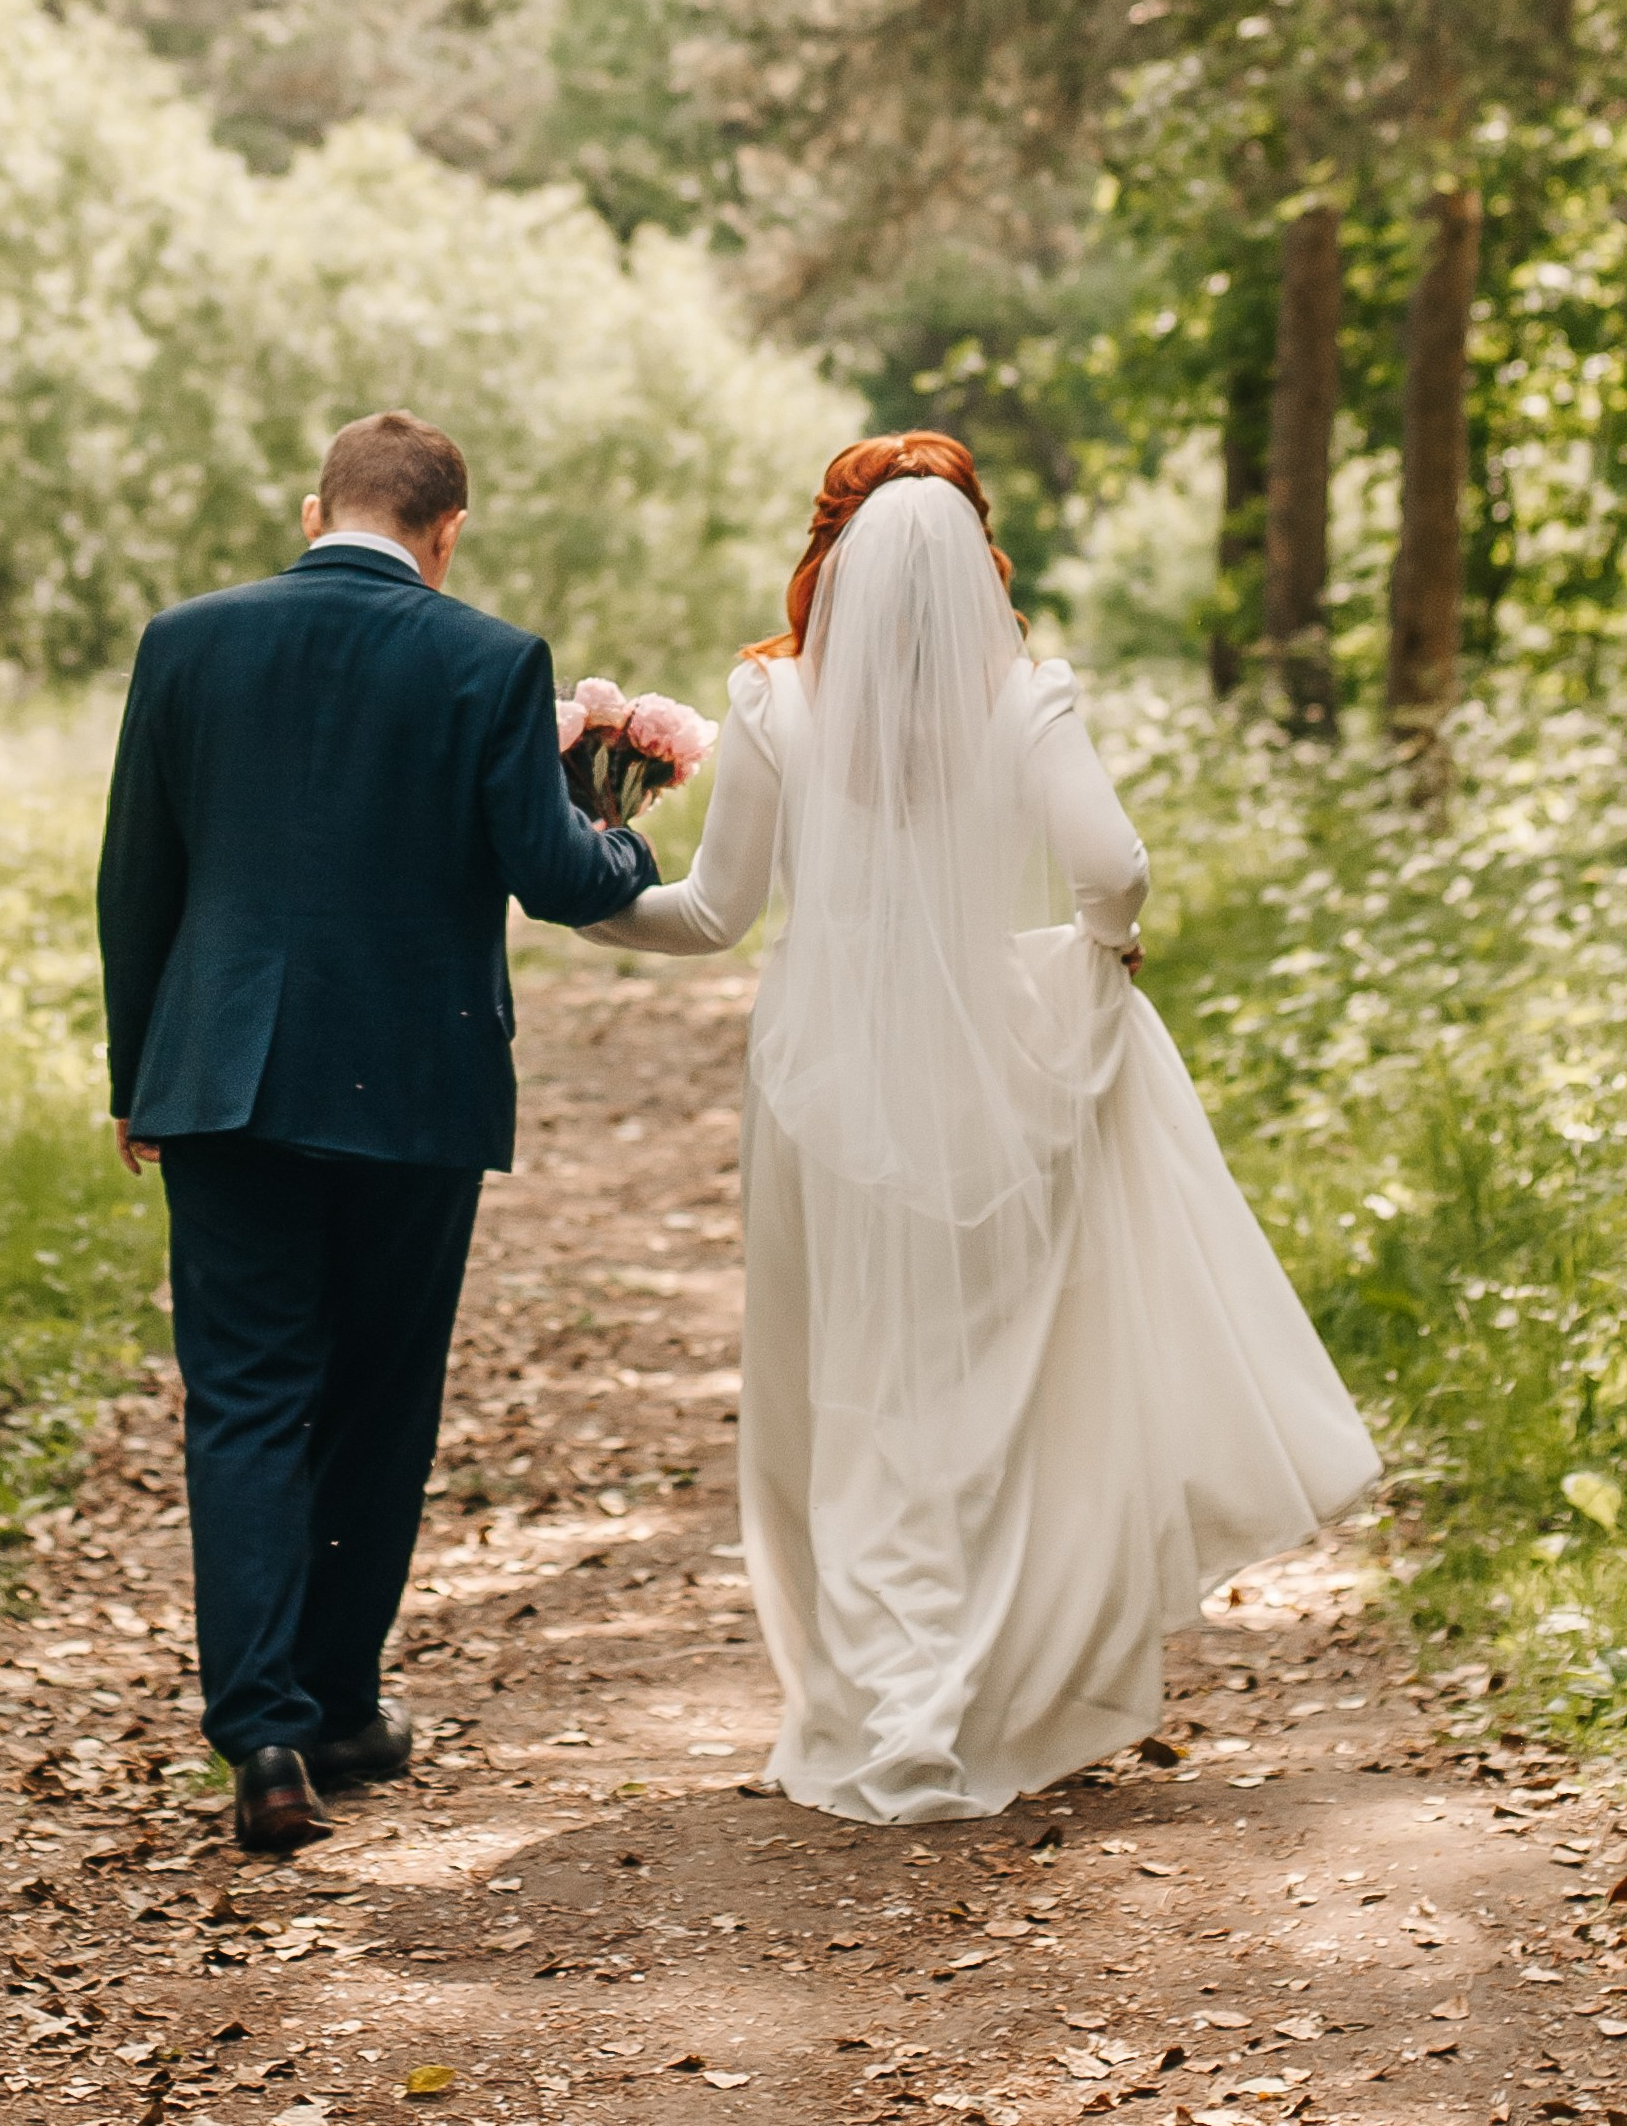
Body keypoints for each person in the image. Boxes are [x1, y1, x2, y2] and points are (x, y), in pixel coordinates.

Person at [586, 432, 1378, 1824]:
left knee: (848, 1393)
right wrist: (1102, 946)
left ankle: (883, 1709)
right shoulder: (1024, 696)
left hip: (825, 1089)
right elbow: (1115, 865)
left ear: (833, 557)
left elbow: (714, 912)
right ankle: (970, 1695)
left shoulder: (778, 699)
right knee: (981, 1397)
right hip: (982, 1086)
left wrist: (582, 888)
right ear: (974, 565)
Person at [97, 410, 658, 1855]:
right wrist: (627, 826)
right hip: (413, 1088)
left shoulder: (184, 640)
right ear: (446, 526)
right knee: (380, 1398)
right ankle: (343, 1702)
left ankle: (267, 1733)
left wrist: (135, 1075)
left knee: (245, 1398)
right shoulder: (490, 659)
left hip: (221, 1078)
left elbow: (136, 875)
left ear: (314, 507)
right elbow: (552, 875)